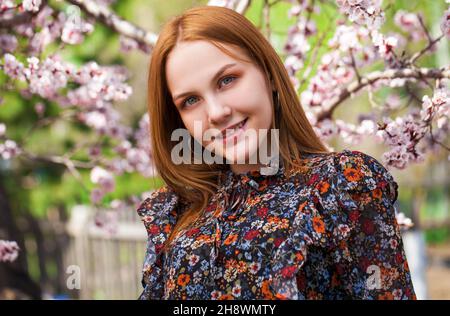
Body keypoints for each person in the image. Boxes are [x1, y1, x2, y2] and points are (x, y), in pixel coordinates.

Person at [137, 5, 416, 300]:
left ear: (268, 74)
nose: (216, 113)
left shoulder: (343, 183)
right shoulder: (175, 211)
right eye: (191, 100)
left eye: (227, 80)